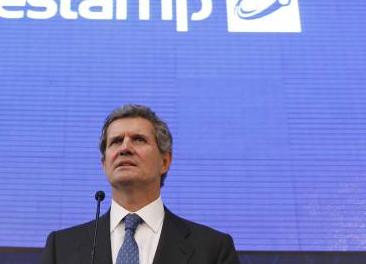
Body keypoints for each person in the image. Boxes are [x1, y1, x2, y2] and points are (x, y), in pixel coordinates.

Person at [42, 104, 239, 264]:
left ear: (165, 161)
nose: (125, 148)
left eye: (138, 139)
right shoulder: (61, 248)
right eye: (116, 141)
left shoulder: (213, 249)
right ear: (104, 164)